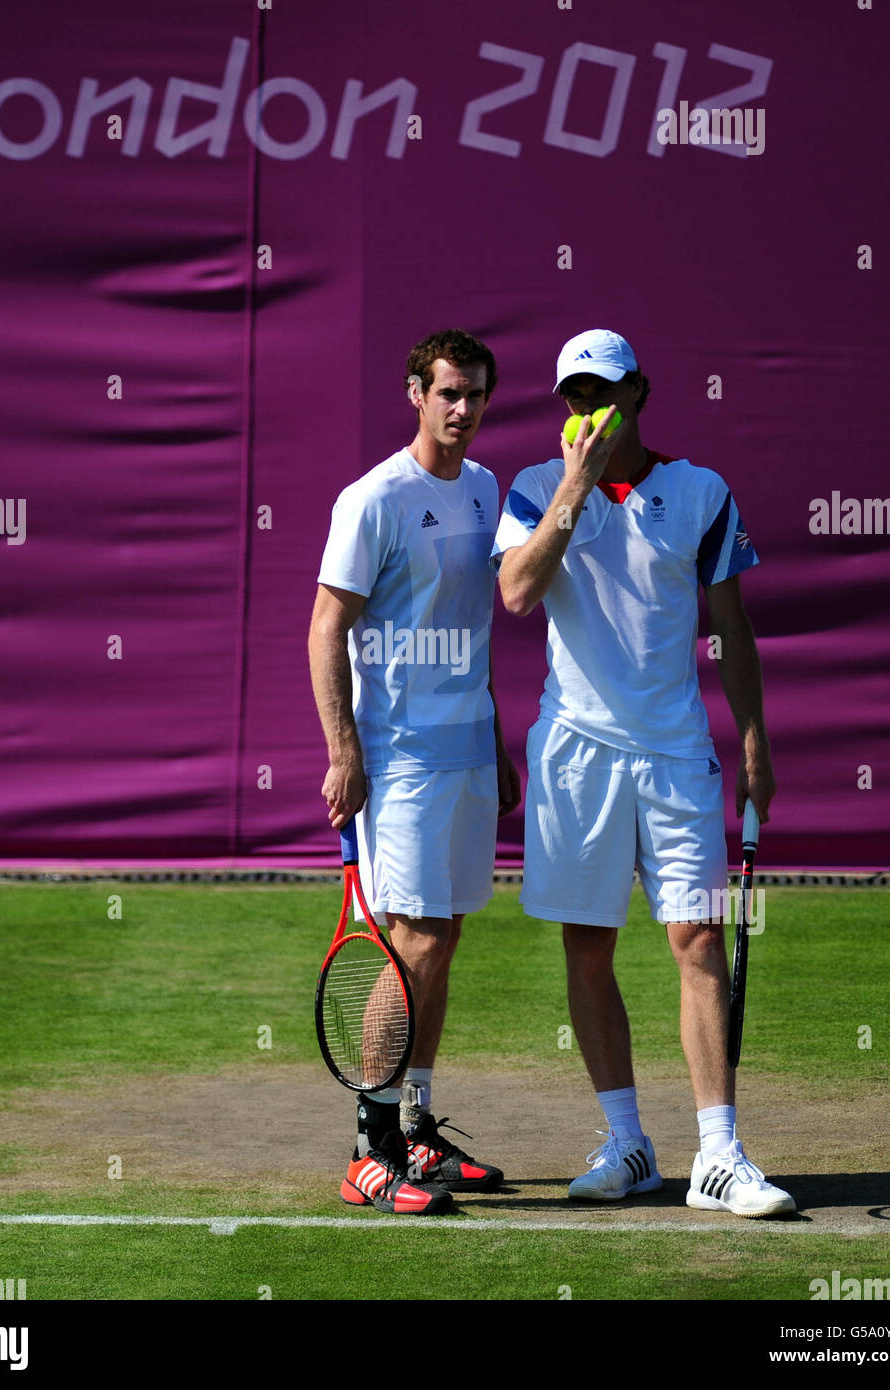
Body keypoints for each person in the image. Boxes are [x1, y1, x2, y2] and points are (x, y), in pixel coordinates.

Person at [493, 329, 795, 1218]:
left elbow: (730, 626)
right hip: (573, 753)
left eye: (606, 391)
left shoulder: (701, 492)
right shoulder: (533, 489)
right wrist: (575, 492)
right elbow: (515, 594)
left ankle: (719, 1154)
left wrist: (753, 741)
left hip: (674, 754)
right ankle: (627, 1144)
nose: (590, 407)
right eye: (575, 394)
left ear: (641, 394)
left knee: (696, 939)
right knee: (586, 945)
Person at [309, 328, 520, 1215]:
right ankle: (370, 1147)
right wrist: (343, 751)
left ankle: (418, 1127)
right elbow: (326, 627)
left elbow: (473, 634)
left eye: (474, 394)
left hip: (468, 748)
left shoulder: (484, 490)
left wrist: (498, 737)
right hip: (396, 763)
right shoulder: (372, 500)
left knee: (445, 938)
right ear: (414, 394)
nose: (462, 409)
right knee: (414, 945)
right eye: (448, 393)